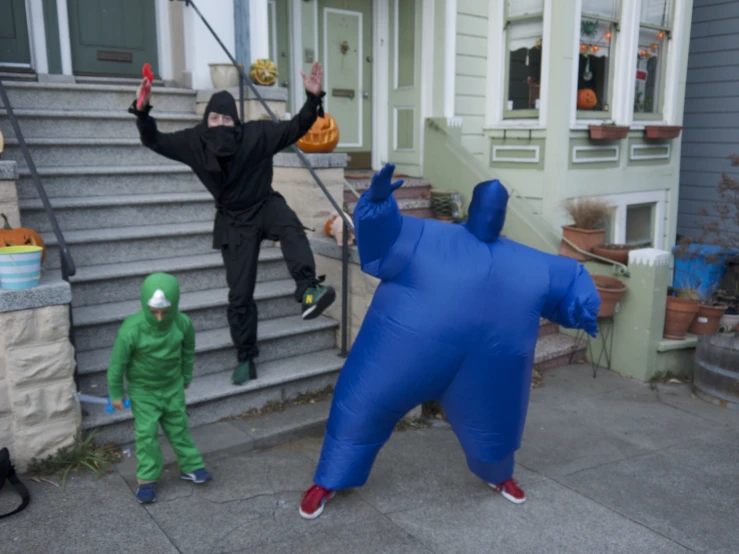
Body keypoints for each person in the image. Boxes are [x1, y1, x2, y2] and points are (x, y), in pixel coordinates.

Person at [298, 164, 601, 519]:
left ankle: (499, 476)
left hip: (485, 367)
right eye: (486, 208)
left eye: (498, 211)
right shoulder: (426, 237)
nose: (491, 216)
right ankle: (329, 480)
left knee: (495, 425)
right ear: (472, 210)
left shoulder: (528, 263)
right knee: (360, 408)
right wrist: (377, 205)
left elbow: (572, 278)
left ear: (503, 216)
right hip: (403, 354)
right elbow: (385, 238)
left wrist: (584, 303)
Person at [129, 61, 336, 385]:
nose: (221, 124)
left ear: (236, 121)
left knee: (290, 227)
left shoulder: (257, 134)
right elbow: (155, 140)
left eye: (227, 119)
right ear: (206, 121)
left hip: (263, 203)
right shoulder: (194, 142)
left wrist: (312, 98)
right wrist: (142, 114)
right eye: (215, 118)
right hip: (233, 221)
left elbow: (297, 127)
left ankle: (308, 290)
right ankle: (246, 356)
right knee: (240, 295)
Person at [108, 272, 212, 504]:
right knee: (146, 434)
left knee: (179, 426)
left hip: (172, 386)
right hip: (144, 391)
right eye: (153, 312)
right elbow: (117, 365)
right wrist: (116, 393)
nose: (159, 318)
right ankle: (147, 479)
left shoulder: (183, 323)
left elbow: (188, 351)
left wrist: (186, 375)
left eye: (165, 312)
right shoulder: (131, 329)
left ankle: (192, 465)